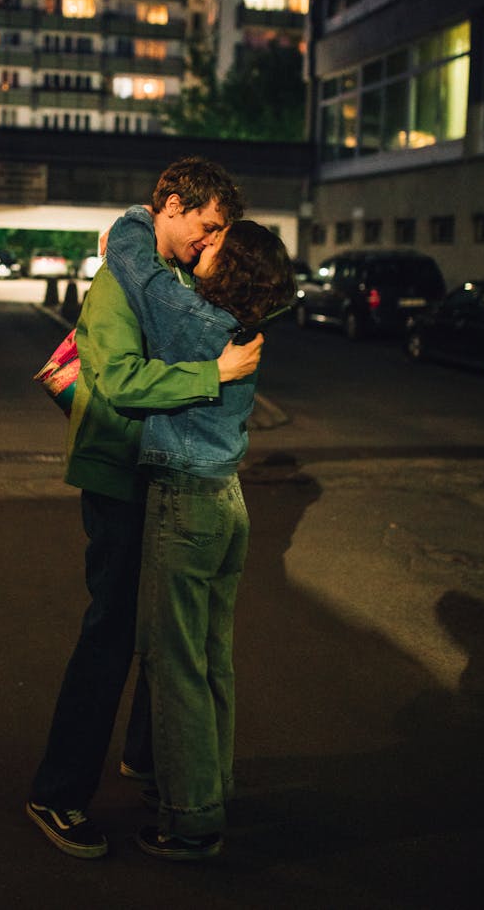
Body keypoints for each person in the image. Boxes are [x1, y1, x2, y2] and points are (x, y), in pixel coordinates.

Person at [26, 158, 263, 859]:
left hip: (157, 474)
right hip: (120, 477)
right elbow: (124, 382)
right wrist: (211, 373)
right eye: (207, 224)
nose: (212, 240)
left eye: (222, 230)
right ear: (169, 206)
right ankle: (58, 791)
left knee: (156, 629)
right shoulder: (117, 287)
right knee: (111, 633)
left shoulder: (169, 281)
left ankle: (147, 757)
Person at [104, 204, 295, 861]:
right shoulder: (243, 323)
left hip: (186, 499)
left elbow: (132, 260)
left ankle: (189, 820)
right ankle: (211, 788)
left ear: (230, 266)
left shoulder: (192, 321)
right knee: (211, 658)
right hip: (227, 499)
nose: (205, 245)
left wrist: (145, 213)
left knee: (174, 663)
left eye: (218, 242)